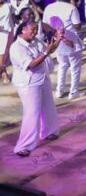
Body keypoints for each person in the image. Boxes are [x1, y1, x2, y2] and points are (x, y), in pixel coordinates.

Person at [10, 20, 60, 157]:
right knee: (32, 113)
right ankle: (23, 145)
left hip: (42, 78)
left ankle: (49, 131)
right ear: (23, 30)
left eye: (36, 29)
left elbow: (49, 50)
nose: (35, 32)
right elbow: (31, 64)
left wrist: (58, 40)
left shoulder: (35, 41)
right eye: (32, 30)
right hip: (28, 83)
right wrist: (46, 52)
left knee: (48, 107)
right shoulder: (16, 47)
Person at [42, 0, 84, 99]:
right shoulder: (71, 7)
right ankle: (73, 92)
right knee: (75, 66)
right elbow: (78, 26)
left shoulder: (49, 7)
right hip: (71, 39)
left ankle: (59, 91)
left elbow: (45, 25)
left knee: (62, 65)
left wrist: (55, 33)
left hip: (58, 40)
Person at [0, 0, 15, 84]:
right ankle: (4, 73)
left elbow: (14, 16)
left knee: (7, 54)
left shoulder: (8, 5)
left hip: (10, 32)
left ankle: (2, 71)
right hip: (1, 33)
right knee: (1, 54)